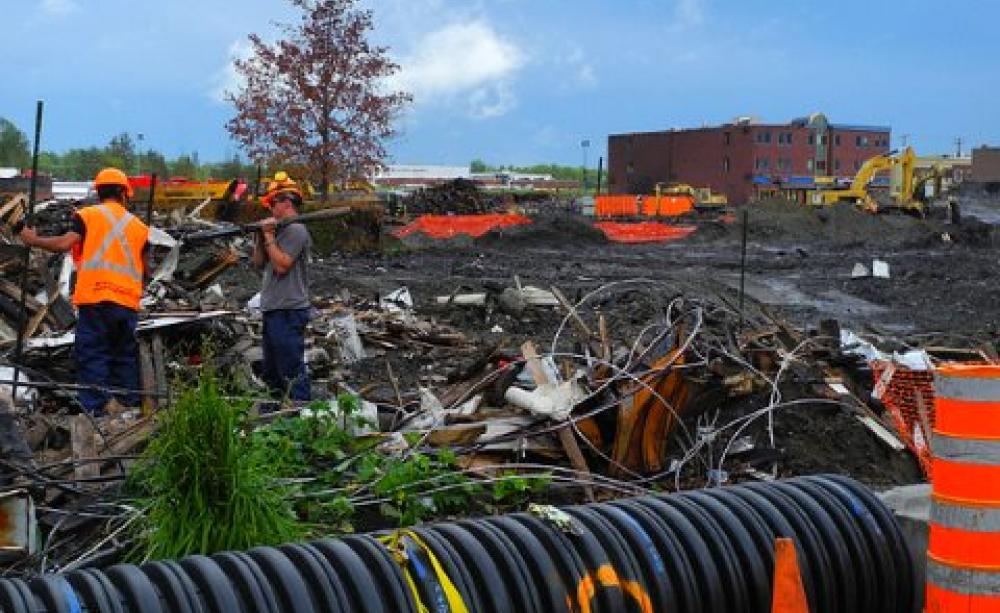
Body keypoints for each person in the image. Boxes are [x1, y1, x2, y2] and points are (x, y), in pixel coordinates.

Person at [19, 168, 150, 415]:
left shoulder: (87, 215)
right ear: (124, 192)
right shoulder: (140, 227)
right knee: (123, 355)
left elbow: (63, 244)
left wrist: (32, 240)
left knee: (93, 354)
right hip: (127, 302)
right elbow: (146, 271)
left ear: (99, 192)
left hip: (96, 298)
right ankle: (129, 409)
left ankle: (96, 412)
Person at [253, 175, 312, 402]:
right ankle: (275, 414)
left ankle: (301, 413)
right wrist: (261, 238)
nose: (270, 208)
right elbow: (258, 263)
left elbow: (281, 265)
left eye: (272, 203)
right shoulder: (277, 231)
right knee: (273, 371)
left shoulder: (296, 230)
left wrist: (268, 236)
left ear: (287, 202)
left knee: (291, 369)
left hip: (289, 310)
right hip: (274, 308)